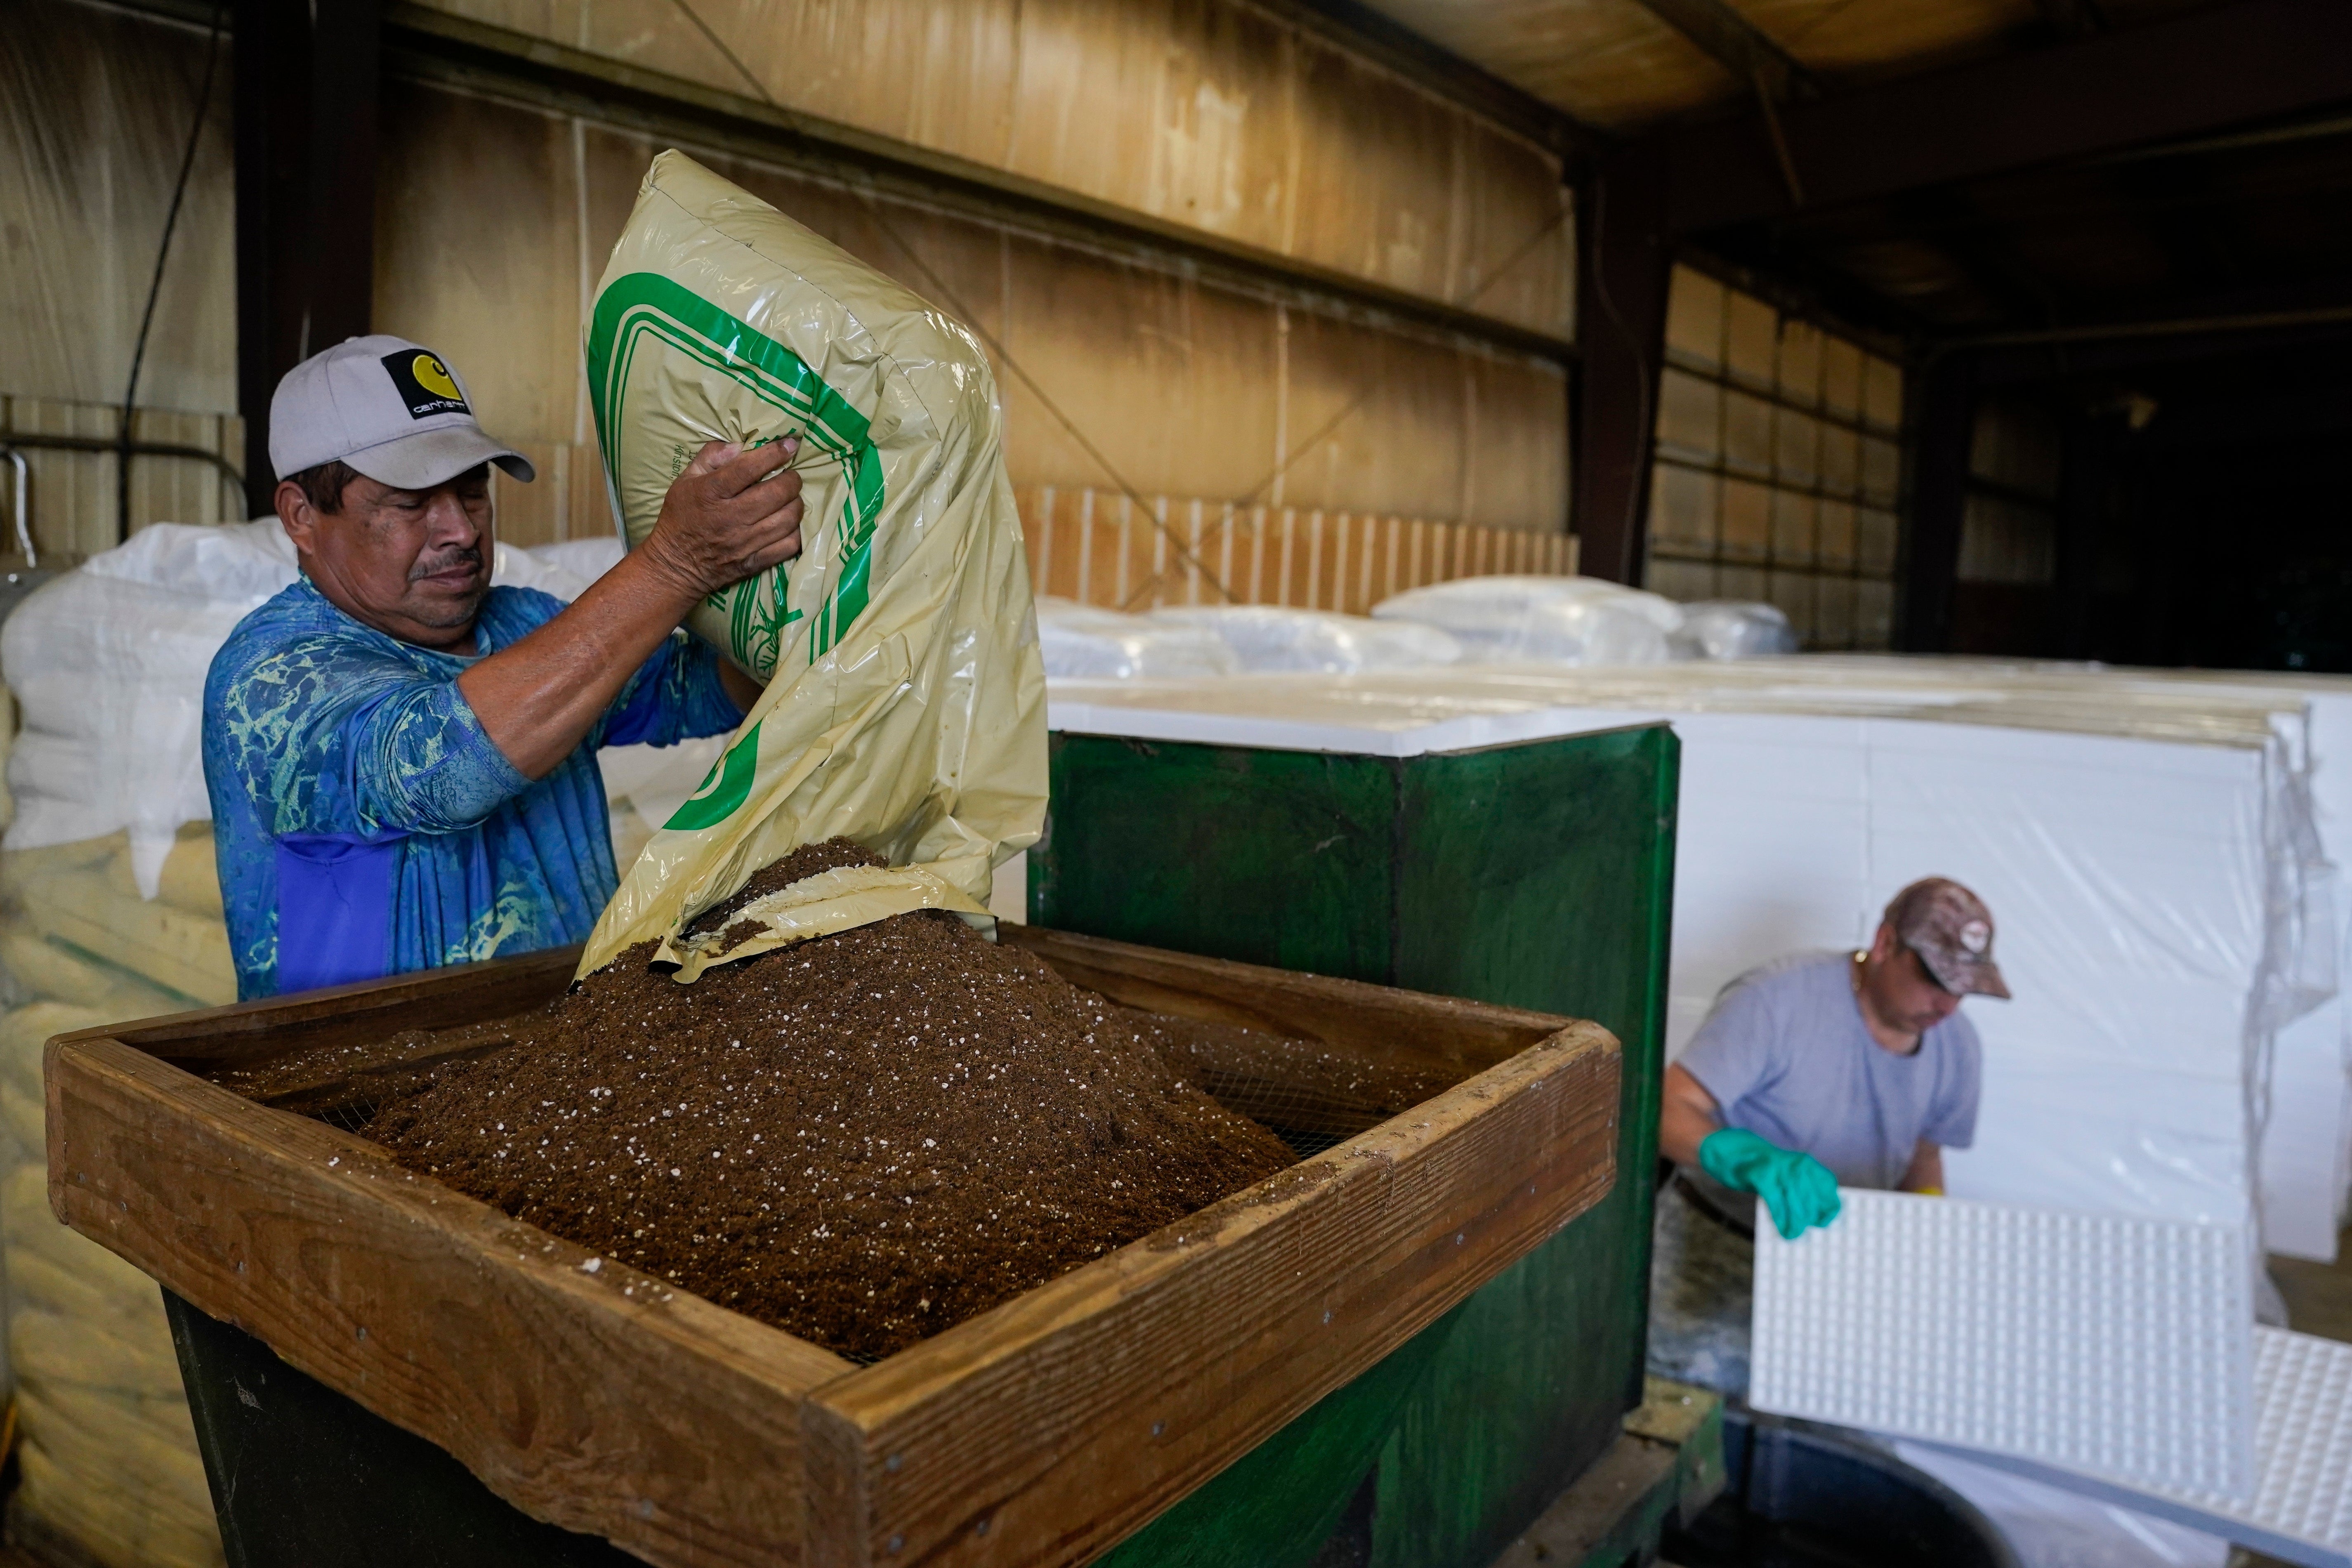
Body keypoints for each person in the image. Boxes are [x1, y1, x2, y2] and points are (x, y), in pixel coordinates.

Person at [203, 334, 805, 999]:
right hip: (372, 1082)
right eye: (411, 503)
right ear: (301, 516)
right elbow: (442, 767)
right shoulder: (272, 676)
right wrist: (676, 565)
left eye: (472, 493)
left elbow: (692, 687)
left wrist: (804, 600)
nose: (460, 529)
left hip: (566, 1052)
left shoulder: (523, 623)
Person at [1659, 877, 2010, 1241]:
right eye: (1935, 980)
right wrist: (1746, 1159)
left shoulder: (1959, 1046)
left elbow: (1923, 1154)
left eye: (1963, 990)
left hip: (1841, 1248)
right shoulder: (1776, 999)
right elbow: (1668, 1107)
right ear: (1885, 944)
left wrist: (1927, 1214)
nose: (1946, 1006)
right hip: (1714, 1232)